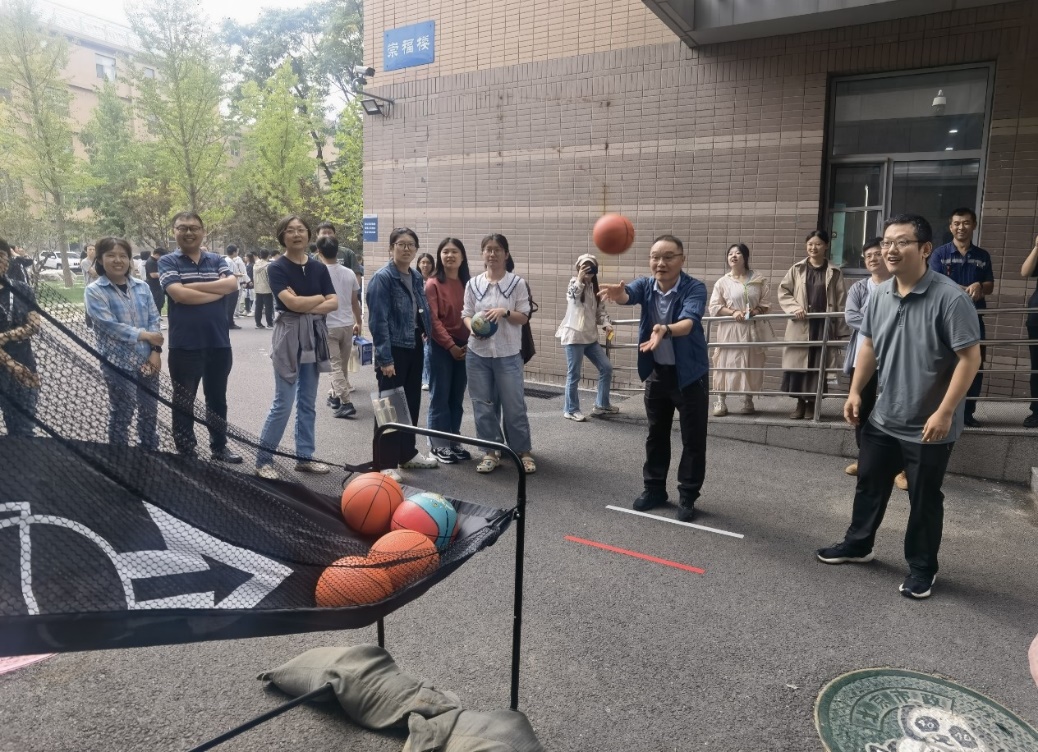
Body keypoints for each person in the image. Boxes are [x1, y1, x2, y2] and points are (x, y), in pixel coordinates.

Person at [816, 214, 981, 600]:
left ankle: (922, 568)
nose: (890, 249)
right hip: (884, 415)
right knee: (869, 483)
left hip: (929, 423)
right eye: (886, 242)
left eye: (901, 242)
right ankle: (859, 544)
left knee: (924, 499)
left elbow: (970, 359)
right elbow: (869, 344)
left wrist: (945, 412)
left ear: (925, 249)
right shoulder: (879, 294)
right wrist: (855, 392)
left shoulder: (950, 298)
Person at [599, 235, 709, 521]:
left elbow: (689, 321)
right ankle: (654, 489)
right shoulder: (646, 285)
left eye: (668, 257)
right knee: (656, 434)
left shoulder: (694, 288)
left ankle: (688, 495)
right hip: (658, 373)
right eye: (655, 257)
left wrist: (664, 329)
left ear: (682, 259)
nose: (661, 263)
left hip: (690, 375)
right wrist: (619, 294)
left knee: (693, 438)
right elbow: (629, 294)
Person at [255, 216, 337, 479]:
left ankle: (304, 458)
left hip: (313, 335)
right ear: (282, 236)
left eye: (301, 230)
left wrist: (303, 301)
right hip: (288, 336)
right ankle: (263, 460)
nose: (296, 234)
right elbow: (291, 304)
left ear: (309, 234)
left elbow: (334, 302)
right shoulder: (276, 268)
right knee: (283, 402)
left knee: (308, 402)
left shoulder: (318, 268)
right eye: (290, 230)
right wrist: (317, 299)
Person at [159, 212, 242, 463]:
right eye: (182, 228)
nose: (189, 232)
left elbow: (232, 285)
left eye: (194, 228)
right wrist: (216, 290)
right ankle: (186, 451)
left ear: (203, 231)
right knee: (184, 401)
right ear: (174, 232)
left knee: (217, 399)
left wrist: (189, 287)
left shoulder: (216, 259)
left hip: (219, 342)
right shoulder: (167, 261)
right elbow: (179, 295)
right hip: (185, 345)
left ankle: (219, 447)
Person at [366, 227, 439, 480]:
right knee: (389, 406)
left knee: (410, 402)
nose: (406, 249)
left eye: (411, 245)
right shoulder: (383, 278)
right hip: (393, 348)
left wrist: (426, 332)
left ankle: (407, 454)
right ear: (391, 248)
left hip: (414, 344)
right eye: (401, 244)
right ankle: (384, 462)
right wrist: (385, 358)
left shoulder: (416, 276)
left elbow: (420, 307)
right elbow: (378, 321)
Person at [462, 233, 537, 475]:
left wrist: (505, 312)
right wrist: (472, 329)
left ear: (506, 254)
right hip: (477, 353)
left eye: (497, 249)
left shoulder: (517, 283)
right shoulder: (473, 284)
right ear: (482, 254)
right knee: (483, 405)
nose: (492, 253)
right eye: (488, 249)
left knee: (514, 405)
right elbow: (466, 314)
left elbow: (523, 317)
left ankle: (522, 451)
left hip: (508, 353)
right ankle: (490, 452)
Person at [841, 238, 908, 489]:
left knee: (896, 409)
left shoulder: (900, 285)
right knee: (862, 409)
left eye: (876, 254)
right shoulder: (859, 288)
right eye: (868, 255)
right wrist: (881, 328)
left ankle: (901, 469)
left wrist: (874, 323)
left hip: (894, 359)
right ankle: (865, 460)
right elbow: (851, 316)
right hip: (863, 359)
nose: (872, 259)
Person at [84, 237, 163, 450]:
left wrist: (155, 352)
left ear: (129, 260)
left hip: (147, 360)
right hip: (117, 363)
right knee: (122, 412)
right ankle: (119, 457)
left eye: (123, 256)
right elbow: (109, 325)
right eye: (111, 255)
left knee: (149, 411)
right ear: (100, 260)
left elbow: (154, 319)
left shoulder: (142, 287)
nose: (118, 260)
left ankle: (149, 451)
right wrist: (146, 336)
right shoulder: (94, 291)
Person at [929, 208, 994, 427]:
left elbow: (990, 286)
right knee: (944, 365)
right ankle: (942, 412)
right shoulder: (939, 254)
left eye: (966, 223)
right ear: (950, 227)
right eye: (956, 223)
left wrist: (980, 285)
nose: (961, 227)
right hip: (945, 320)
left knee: (974, 365)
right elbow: (934, 282)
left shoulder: (983, 256)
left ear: (974, 225)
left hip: (974, 319)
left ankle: (967, 414)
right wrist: (956, 289)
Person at [778, 230, 848, 420]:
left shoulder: (834, 271)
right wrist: (794, 308)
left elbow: (841, 301)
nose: (813, 247)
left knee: (818, 365)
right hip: (801, 324)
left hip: (823, 326)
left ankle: (812, 404)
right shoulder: (797, 269)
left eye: (818, 244)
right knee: (799, 366)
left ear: (826, 246)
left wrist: (841, 329)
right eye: (810, 244)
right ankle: (799, 404)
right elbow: (783, 291)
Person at [708, 243, 774, 417]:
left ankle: (748, 399)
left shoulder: (759, 279)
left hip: (752, 329)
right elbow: (714, 306)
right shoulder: (723, 282)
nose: (733, 256)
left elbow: (766, 302)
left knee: (751, 362)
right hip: (730, 329)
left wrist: (756, 311)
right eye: (730, 253)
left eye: (738, 253)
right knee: (725, 362)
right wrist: (733, 312)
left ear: (745, 257)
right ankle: (720, 400)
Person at [425, 237, 472, 463]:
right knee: (440, 397)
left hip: (465, 346)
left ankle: (454, 440)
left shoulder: (468, 283)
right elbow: (433, 321)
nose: (450, 255)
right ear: (439, 256)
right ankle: (438, 445)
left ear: (462, 257)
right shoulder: (433, 283)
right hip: (441, 347)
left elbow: (474, 315)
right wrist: (450, 345)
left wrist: (469, 343)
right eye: (445, 252)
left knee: (456, 397)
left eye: (454, 252)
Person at [556, 252, 616, 422]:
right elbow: (572, 298)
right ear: (578, 268)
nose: (588, 270)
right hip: (574, 337)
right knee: (574, 374)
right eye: (584, 267)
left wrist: (606, 324)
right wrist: (579, 278)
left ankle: (602, 404)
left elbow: (600, 311)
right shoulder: (574, 283)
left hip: (590, 338)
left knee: (606, 367)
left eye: (591, 267)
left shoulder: (596, 288)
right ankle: (571, 410)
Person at [315, 236, 362, 419]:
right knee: (341, 365)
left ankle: (346, 402)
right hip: (347, 324)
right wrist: (359, 321)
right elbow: (354, 302)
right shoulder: (349, 273)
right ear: (338, 251)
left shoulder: (318, 272)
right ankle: (334, 397)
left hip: (328, 326)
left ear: (319, 252)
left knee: (335, 366)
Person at [0, 238, 41, 437]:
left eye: (1, 256)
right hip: (14, 367)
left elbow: (34, 325)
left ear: (8, 259)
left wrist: (6, 336)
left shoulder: (22, 289)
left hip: (25, 364)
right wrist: (12, 365)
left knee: (24, 428)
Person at [1022, 235, 1038, 428]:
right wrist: (1036, 247)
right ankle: (1037, 411)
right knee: (1037, 366)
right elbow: (1025, 271)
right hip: (1037, 318)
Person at [416, 252, 436, 391]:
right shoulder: (414, 280)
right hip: (418, 320)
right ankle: (425, 379)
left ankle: (428, 378)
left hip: (432, 319)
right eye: (422, 262)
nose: (425, 265)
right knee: (424, 351)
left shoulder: (435, 280)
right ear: (418, 264)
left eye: (428, 262)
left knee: (428, 351)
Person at [224, 245, 246, 330]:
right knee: (231, 305)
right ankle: (230, 323)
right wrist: (239, 275)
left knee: (231, 305)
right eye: (236, 251)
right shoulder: (229, 261)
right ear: (233, 252)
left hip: (233, 285)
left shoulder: (229, 260)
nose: (237, 253)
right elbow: (230, 273)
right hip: (232, 286)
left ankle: (230, 322)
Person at [253, 250, 274, 329]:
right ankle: (270, 323)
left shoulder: (256, 264)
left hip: (257, 288)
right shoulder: (267, 265)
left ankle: (258, 323)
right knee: (268, 307)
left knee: (258, 307)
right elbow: (269, 277)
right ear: (268, 256)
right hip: (266, 288)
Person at [144, 247, 166, 318]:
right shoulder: (151, 262)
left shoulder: (154, 261)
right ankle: (156, 318)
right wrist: (165, 273)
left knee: (161, 301)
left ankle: (158, 316)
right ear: (157, 254)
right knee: (156, 302)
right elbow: (153, 275)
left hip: (157, 285)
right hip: (153, 286)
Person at [82, 244, 99, 329]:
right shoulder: (85, 262)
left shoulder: (98, 261)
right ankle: (89, 326)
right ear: (86, 251)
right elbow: (94, 274)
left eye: (93, 249)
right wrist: (101, 271)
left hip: (99, 287)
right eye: (90, 249)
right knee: (89, 307)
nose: (92, 251)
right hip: (90, 287)